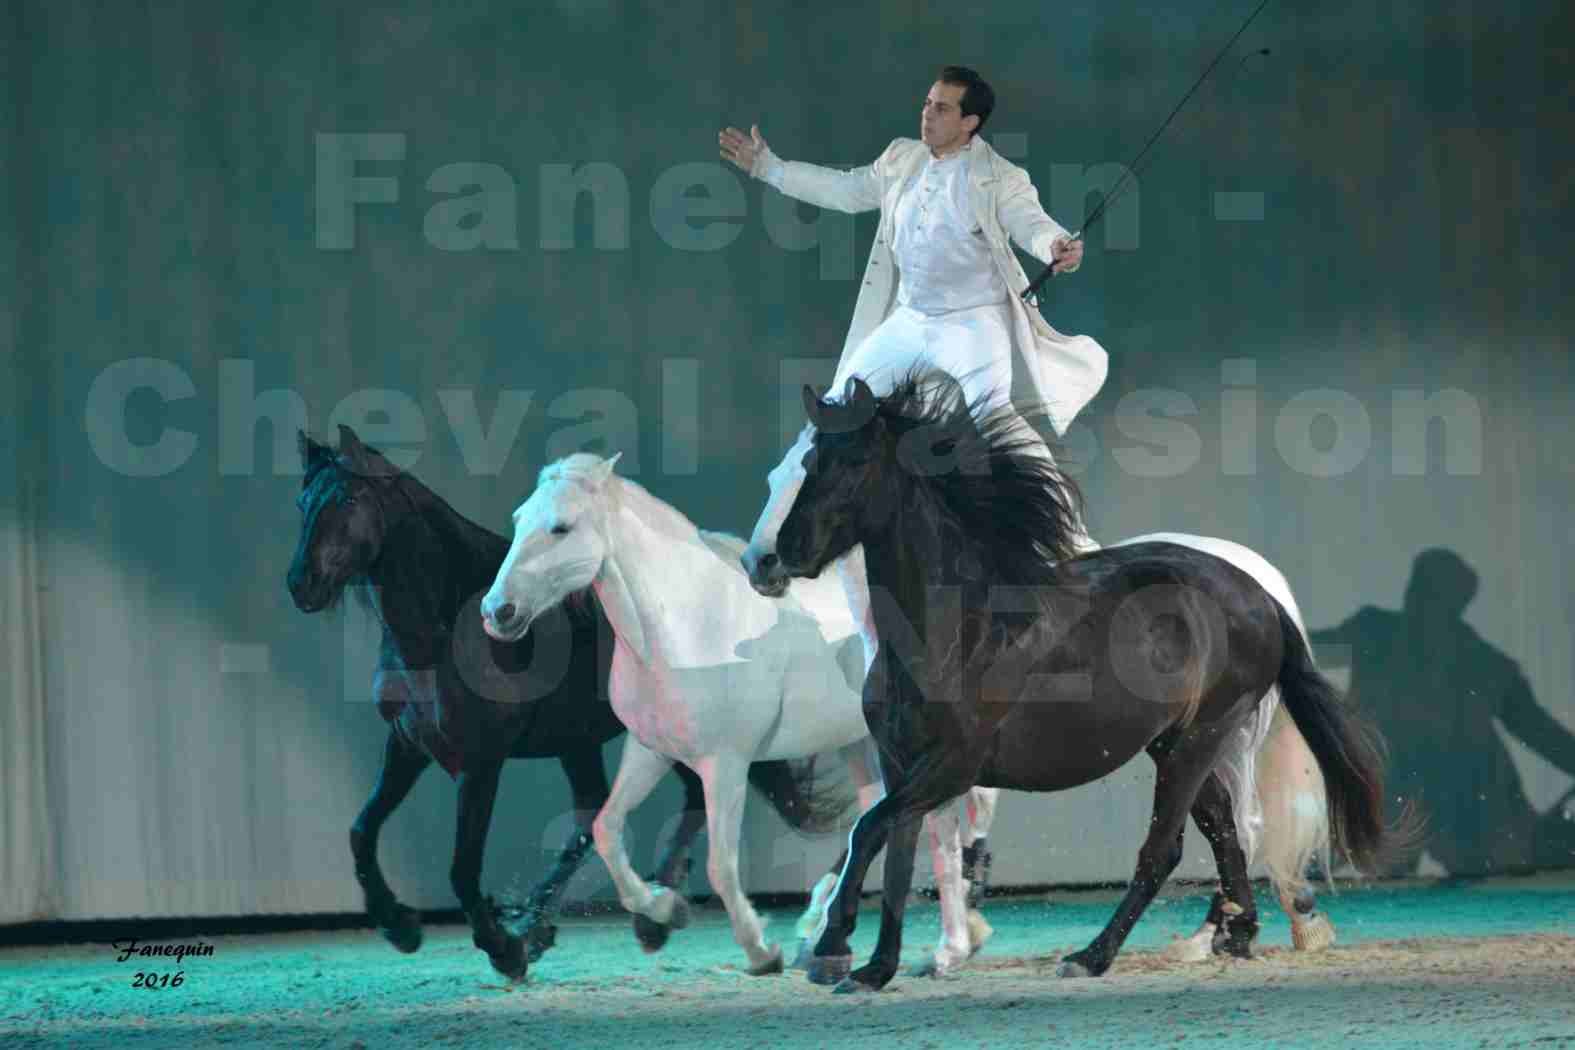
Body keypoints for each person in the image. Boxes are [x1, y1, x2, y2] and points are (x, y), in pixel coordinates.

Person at [728, 68, 1108, 918]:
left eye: (941, 107)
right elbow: (845, 188)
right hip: (909, 320)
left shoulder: (996, 178)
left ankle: (1062, 547)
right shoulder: (902, 160)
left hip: (971, 321)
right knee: (830, 424)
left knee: (995, 446)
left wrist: (1052, 246)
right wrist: (768, 169)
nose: (925, 113)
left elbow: (1030, 222)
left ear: (970, 123)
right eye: (927, 102)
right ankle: (775, 541)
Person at [1311, 548, 1575, 875]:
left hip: (1465, 810)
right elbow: (1310, 654)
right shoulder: (1375, 632)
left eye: (1433, 594)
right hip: (1398, 802)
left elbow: (1540, 733)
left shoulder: (1482, 664)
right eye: (1421, 590)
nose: (1422, 602)